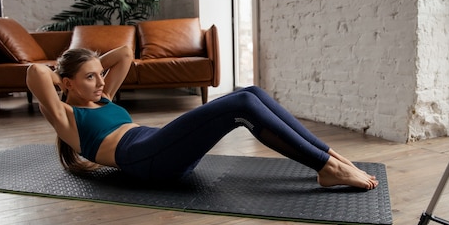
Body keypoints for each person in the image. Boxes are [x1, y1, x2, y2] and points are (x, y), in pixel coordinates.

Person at [26, 45, 379, 189]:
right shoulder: (66, 116)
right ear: (68, 84)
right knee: (238, 107)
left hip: (155, 145)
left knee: (250, 93)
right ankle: (326, 168)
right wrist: (65, 77)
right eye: (91, 77)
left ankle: (329, 156)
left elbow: (125, 54)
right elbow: (34, 73)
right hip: (146, 160)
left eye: (100, 75)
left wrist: (90, 69)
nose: (102, 81)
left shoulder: (103, 98)